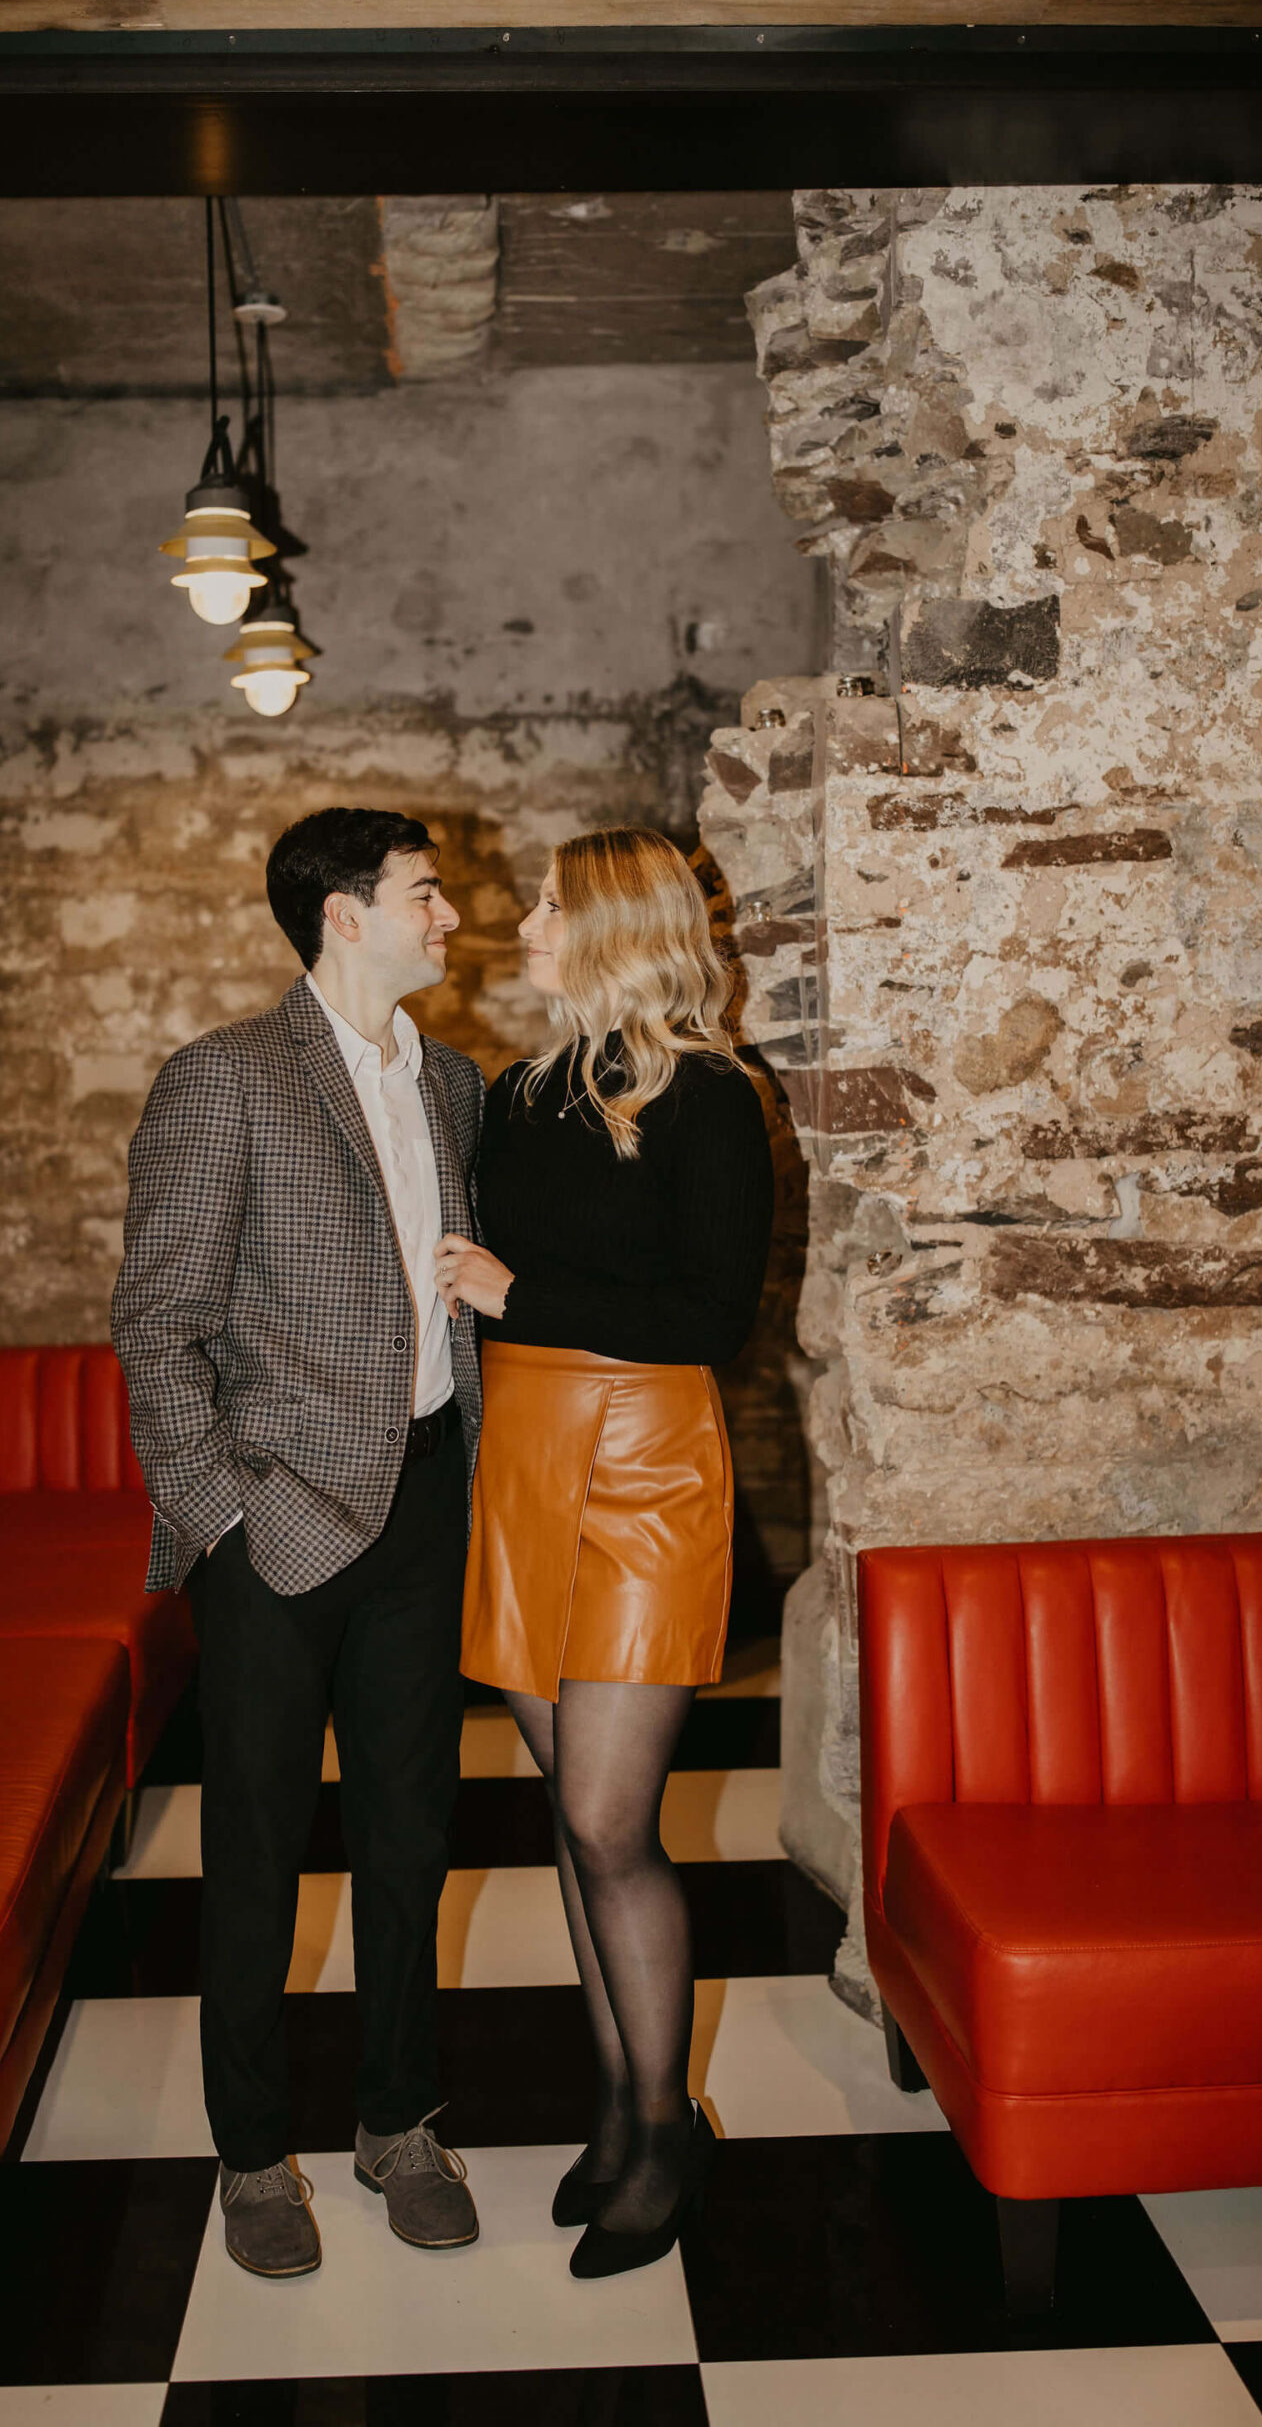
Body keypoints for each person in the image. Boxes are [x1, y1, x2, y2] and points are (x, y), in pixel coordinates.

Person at [111, 808, 484, 2280]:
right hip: (275, 1523)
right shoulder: (224, 1081)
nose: (448, 915)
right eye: (424, 893)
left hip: (422, 1509)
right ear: (341, 913)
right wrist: (220, 1518)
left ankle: (398, 2124)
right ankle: (252, 2156)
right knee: (257, 1851)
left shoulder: (452, 1083)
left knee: (413, 1839)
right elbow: (160, 1325)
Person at [433, 827, 773, 2279]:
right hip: (520, 1458)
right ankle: (619, 2109)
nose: (526, 926)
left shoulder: (710, 1099)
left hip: (644, 1461)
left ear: (618, 926)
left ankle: (665, 2122)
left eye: (554, 906)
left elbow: (714, 1321)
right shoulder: (519, 1092)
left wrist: (521, 1289)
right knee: (568, 1821)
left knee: (611, 1817)